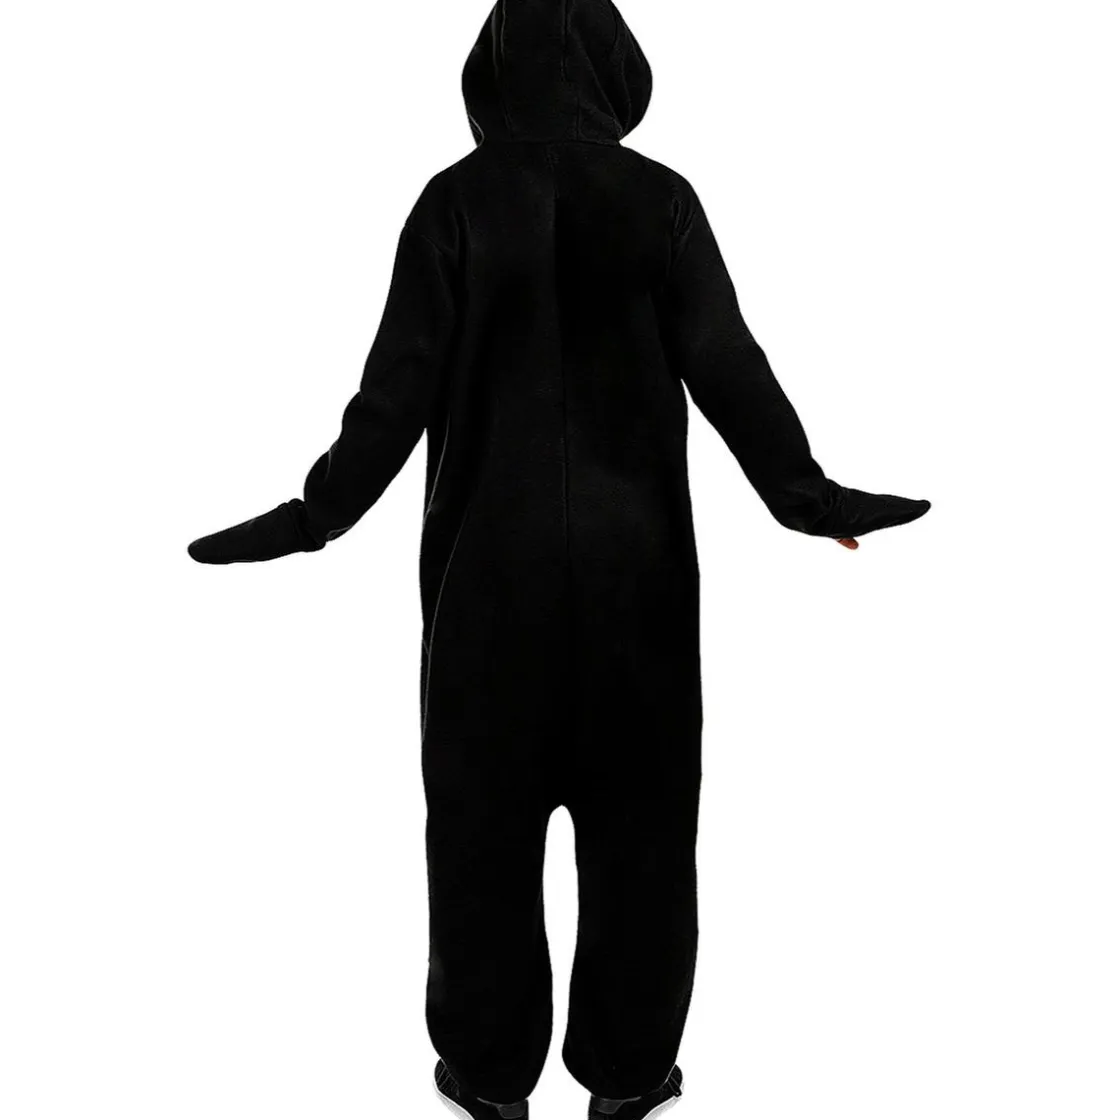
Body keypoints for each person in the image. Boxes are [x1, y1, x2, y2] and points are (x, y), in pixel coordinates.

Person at [187, 1, 931, 1116]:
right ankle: (628, 1079)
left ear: (489, 71)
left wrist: (310, 516)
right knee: (643, 833)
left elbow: (391, 397)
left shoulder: (452, 202)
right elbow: (729, 366)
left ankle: (489, 1078)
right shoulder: (662, 200)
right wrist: (806, 498)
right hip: (638, 582)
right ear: (615, 66)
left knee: (478, 833)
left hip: (487, 586)